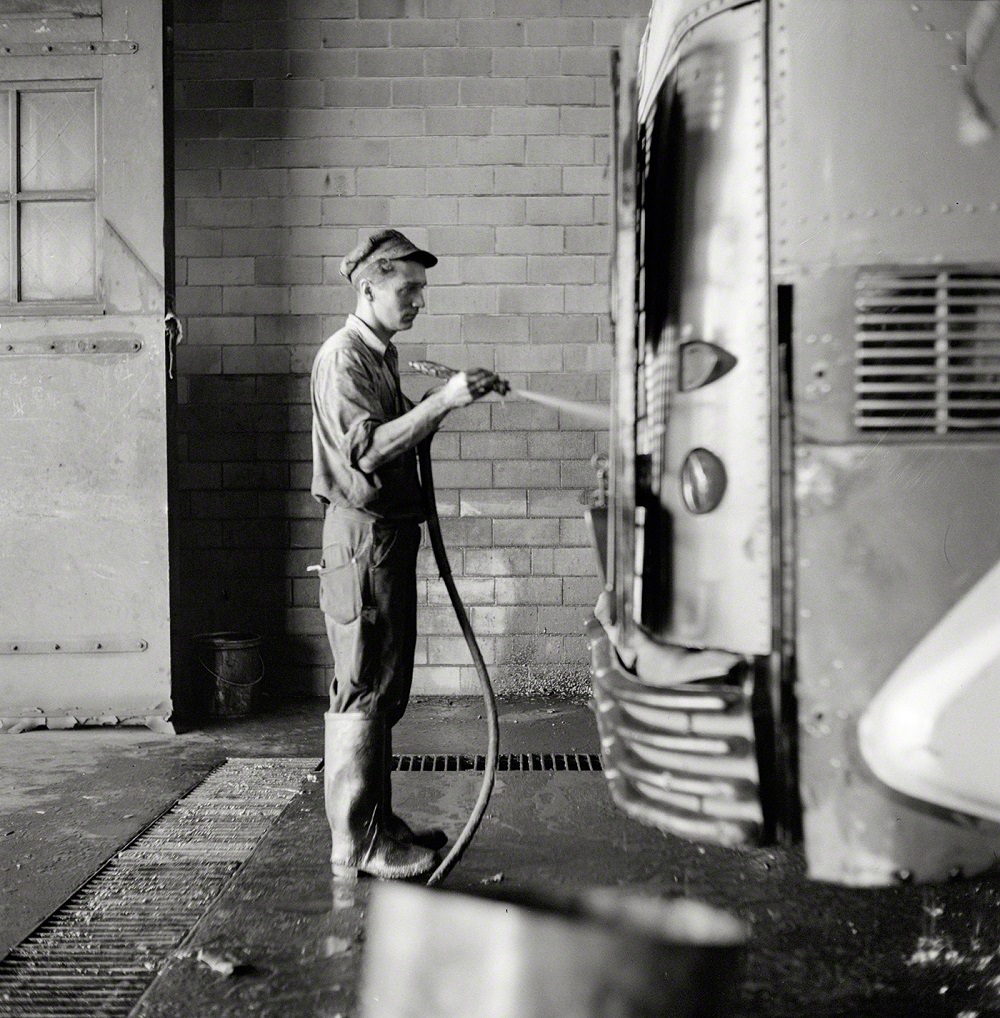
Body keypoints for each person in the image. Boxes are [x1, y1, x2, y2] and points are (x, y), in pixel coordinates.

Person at [310, 229, 500, 880]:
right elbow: (365, 453)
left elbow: (392, 439)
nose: (418, 300)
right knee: (364, 687)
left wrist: (445, 404)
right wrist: (444, 401)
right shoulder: (344, 359)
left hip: (385, 539)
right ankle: (357, 844)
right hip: (361, 540)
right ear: (369, 287)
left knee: (383, 691)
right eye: (406, 289)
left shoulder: (380, 357)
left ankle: (377, 827)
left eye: (421, 289)